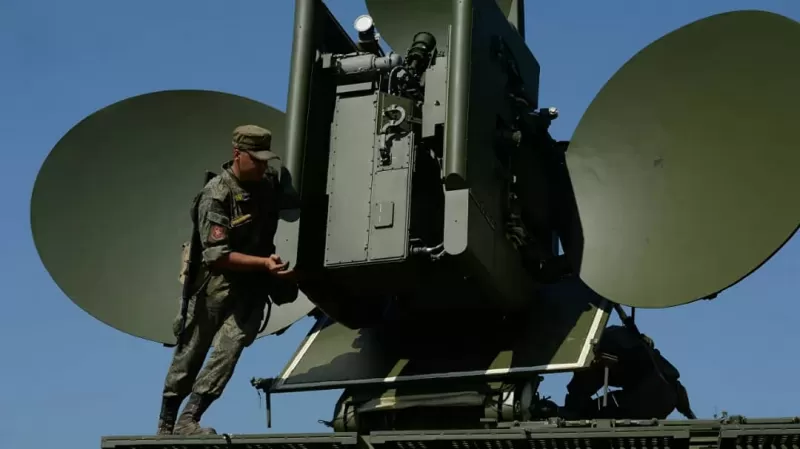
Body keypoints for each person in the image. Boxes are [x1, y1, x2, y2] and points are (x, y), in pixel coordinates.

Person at [156, 124, 296, 435]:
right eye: (255, 160)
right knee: (191, 353)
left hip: (250, 289)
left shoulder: (267, 183)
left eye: (265, 160)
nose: (261, 166)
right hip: (215, 288)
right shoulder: (216, 195)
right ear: (237, 154)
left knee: (228, 352)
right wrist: (264, 263)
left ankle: (189, 419)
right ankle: (165, 424)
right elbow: (217, 256)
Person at [562, 324, 696, 420]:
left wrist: (573, 409)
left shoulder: (602, 347)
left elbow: (583, 385)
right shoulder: (625, 339)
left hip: (648, 398)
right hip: (665, 398)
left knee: (592, 411)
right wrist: (689, 414)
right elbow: (677, 386)